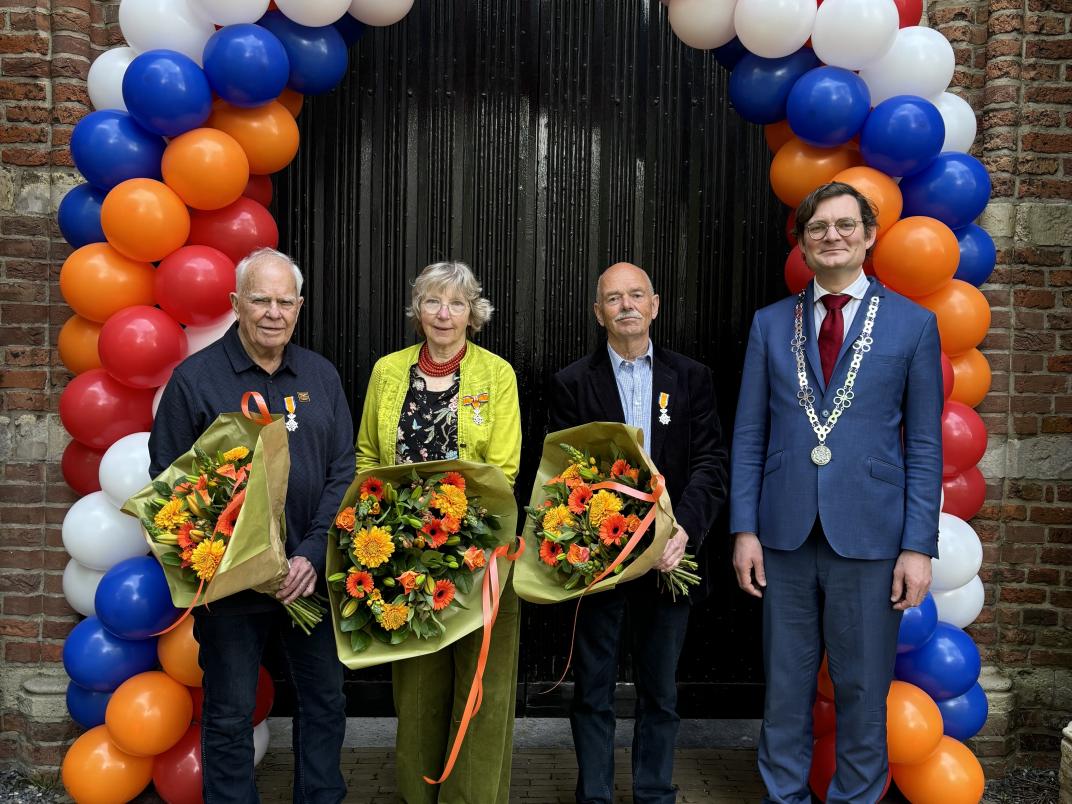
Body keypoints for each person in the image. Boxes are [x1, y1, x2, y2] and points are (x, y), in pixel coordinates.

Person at [730, 181, 943, 803]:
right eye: (818, 227)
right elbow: (749, 433)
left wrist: (918, 546)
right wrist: (744, 529)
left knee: (861, 693)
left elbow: (924, 445)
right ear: (802, 240)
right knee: (784, 693)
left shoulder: (914, 324)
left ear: (870, 236)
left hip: (872, 538)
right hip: (783, 535)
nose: (832, 237)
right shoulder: (772, 324)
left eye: (845, 226)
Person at [149, 247, 354, 804]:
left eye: (284, 301)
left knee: (325, 701)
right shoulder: (195, 380)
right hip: (231, 587)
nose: (272, 312)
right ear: (236, 303)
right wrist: (232, 556)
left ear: (299, 307)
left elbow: (343, 470)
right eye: (260, 299)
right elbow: (170, 484)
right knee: (229, 713)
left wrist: (312, 551)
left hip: (306, 579)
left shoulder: (320, 375)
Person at [547, 261, 728, 804]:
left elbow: (710, 464)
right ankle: (595, 796)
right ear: (597, 312)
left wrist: (684, 533)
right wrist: (600, 541)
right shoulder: (571, 383)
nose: (625, 305)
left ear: (654, 305)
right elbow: (563, 477)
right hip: (600, 564)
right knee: (594, 689)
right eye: (612, 298)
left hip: (671, 561)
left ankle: (654, 792)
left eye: (635, 295)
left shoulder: (691, 378)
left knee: (661, 690)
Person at [355, 260, 522, 803]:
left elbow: (504, 469)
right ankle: (416, 794)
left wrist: (454, 528)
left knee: (482, 687)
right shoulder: (387, 371)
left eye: (456, 303)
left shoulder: (496, 374)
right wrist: (378, 523)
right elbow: (367, 457)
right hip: (403, 554)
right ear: (417, 310)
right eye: (432, 301)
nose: (444, 314)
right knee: (418, 687)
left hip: (477, 552)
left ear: (474, 312)